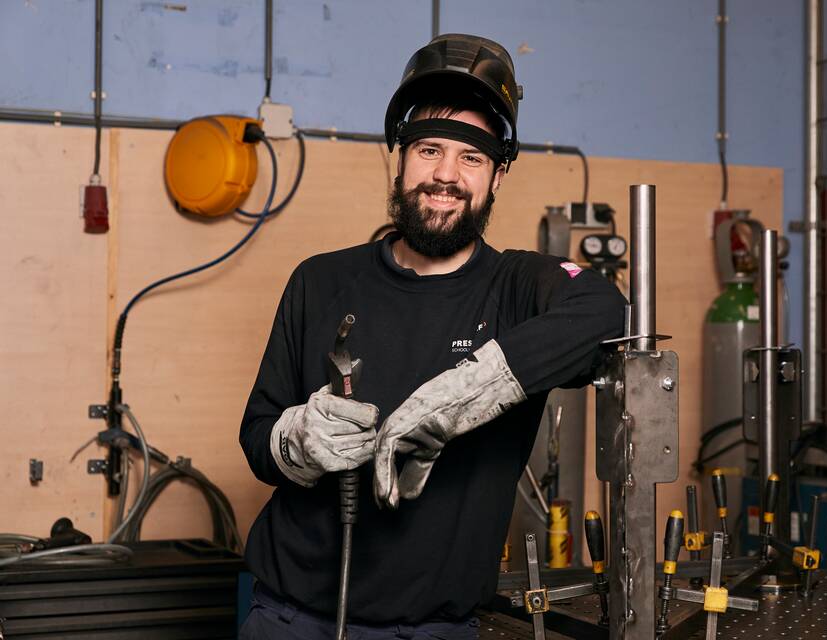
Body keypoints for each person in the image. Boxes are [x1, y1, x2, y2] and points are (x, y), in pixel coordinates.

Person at [239, 33, 625, 639]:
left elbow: (608, 311)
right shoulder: (320, 280)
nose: (445, 175)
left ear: (498, 176)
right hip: (289, 616)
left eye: (471, 158)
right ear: (399, 157)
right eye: (429, 150)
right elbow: (257, 438)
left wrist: (467, 393)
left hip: (432, 628)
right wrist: (296, 441)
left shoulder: (517, 286)